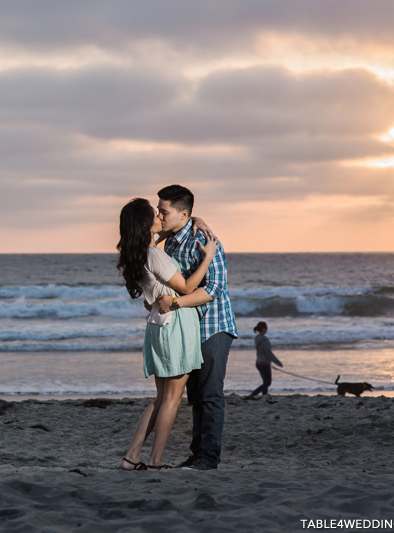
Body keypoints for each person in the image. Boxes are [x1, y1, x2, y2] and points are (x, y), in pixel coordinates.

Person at [116, 198, 219, 471]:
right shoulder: (156, 255)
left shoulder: (137, 252)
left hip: (158, 324)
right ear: (145, 224)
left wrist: (196, 219)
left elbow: (159, 235)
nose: (160, 218)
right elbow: (186, 288)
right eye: (155, 215)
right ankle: (155, 461)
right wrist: (207, 256)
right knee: (172, 399)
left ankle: (132, 456)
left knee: (161, 399)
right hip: (174, 325)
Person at [154, 184, 238, 471]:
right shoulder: (173, 239)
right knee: (195, 396)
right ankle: (197, 455)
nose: (160, 216)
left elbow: (214, 287)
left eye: (164, 212)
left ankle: (209, 458)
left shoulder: (205, 238)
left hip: (213, 325)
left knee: (211, 394)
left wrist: (175, 302)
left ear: (183, 213)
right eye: (159, 211)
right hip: (188, 329)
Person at [248, 321, 282, 397]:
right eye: (266, 327)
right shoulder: (264, 340)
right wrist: (278, 362)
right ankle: (253, 395)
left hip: (258, 362)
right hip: (264, 363)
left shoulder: (257, 338)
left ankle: (264, 396)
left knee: (265, 382)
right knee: (267, 383)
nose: (267, 329)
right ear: (263, 328)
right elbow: (268, 353)